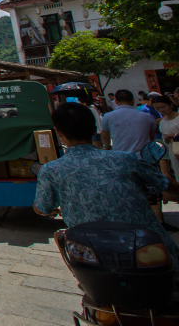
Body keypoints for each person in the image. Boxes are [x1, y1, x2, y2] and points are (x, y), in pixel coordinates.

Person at [34, 102, 179, 279]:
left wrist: (43, 209)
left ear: (58, 133)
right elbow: (164, 183)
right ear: (95, 127)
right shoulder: (125, 159)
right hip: (148, 249)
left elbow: (43, 207)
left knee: (63, 238)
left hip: (95, 257)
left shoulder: (51, 169)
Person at [152, 96, 179, 233]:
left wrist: (173, 136)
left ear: (170, 105)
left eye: (163, 107)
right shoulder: (162, 122)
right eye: (158, 109)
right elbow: (165, 145)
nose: (161, 110)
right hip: (175, 158)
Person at [101, 89, 156, 154]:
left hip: (121, 156)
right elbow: (151, 137)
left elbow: (104, 136)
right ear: (133, 101)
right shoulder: (148, 117)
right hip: (144, 156)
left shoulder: (107, 117)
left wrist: (107, 146)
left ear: (116, 101)